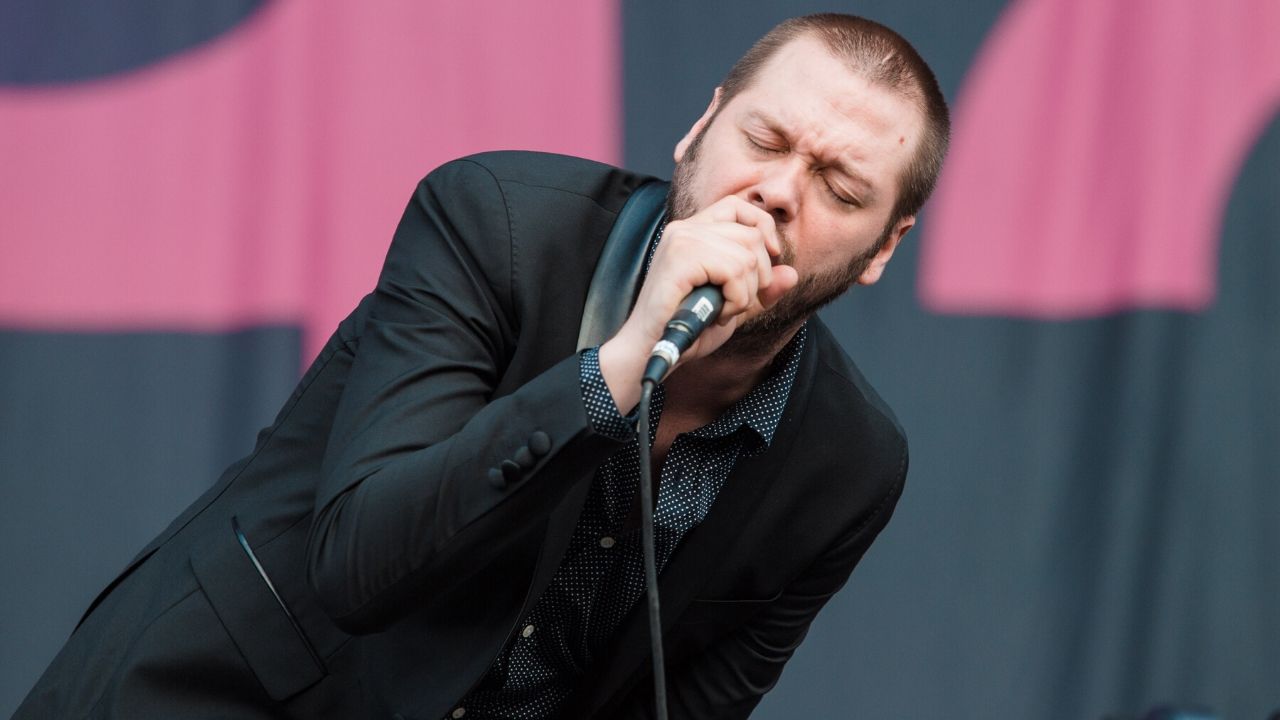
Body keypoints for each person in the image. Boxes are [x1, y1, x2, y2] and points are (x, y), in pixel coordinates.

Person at [15, 13, 949, 720]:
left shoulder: (847, 464)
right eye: (764, 140)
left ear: (883, 246)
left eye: (840, 188)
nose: (780, 193)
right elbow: (362, 563)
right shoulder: (495, 226)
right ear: (700, 129)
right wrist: (618, 368)